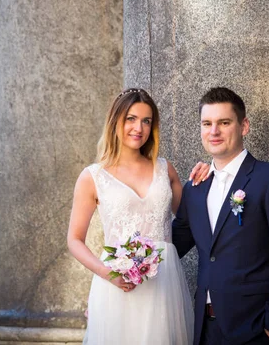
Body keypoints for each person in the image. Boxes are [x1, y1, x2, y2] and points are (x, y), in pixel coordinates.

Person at [67, 88, 208, 345]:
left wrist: (208, 176)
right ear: (116, 121)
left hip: (164, 284)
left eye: (146, 121)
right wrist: (109, 273)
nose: (138, 128)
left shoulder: (165, 169)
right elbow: (74, 240)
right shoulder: (93, 176)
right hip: (117, 285)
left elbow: (194, 217)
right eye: (131, 118)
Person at [173, 87, 269, 345]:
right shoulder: (194, 188)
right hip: (205, 329)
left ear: (243, 126)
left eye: (224, 122)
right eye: (207, 123)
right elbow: (170, 243)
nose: (214, 131)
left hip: (257, 328)